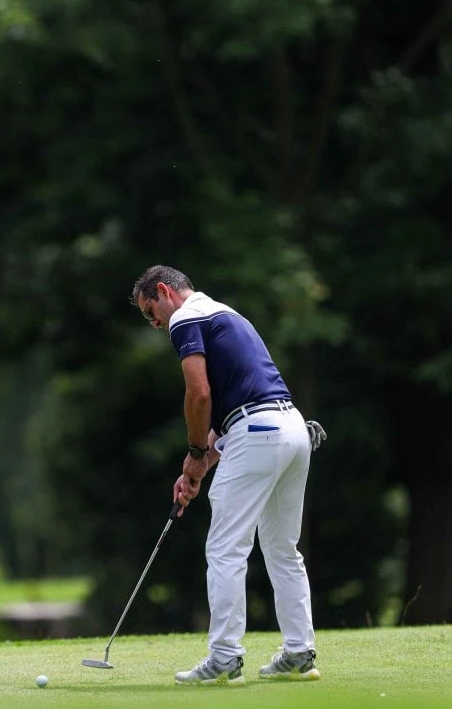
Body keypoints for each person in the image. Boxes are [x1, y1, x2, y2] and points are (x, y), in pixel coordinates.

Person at [131, 265, 326, 686]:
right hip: (292, 429)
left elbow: (199, 394)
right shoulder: (227, 313)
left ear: (164, 291)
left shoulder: (185, 319)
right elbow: (240, 406)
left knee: (225, 548)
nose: (155, 323)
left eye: (152, 312)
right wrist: (199, 465)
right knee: (282, 548)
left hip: (258, 433)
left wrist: (196, 450)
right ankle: (298, 653)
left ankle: (224, 658)